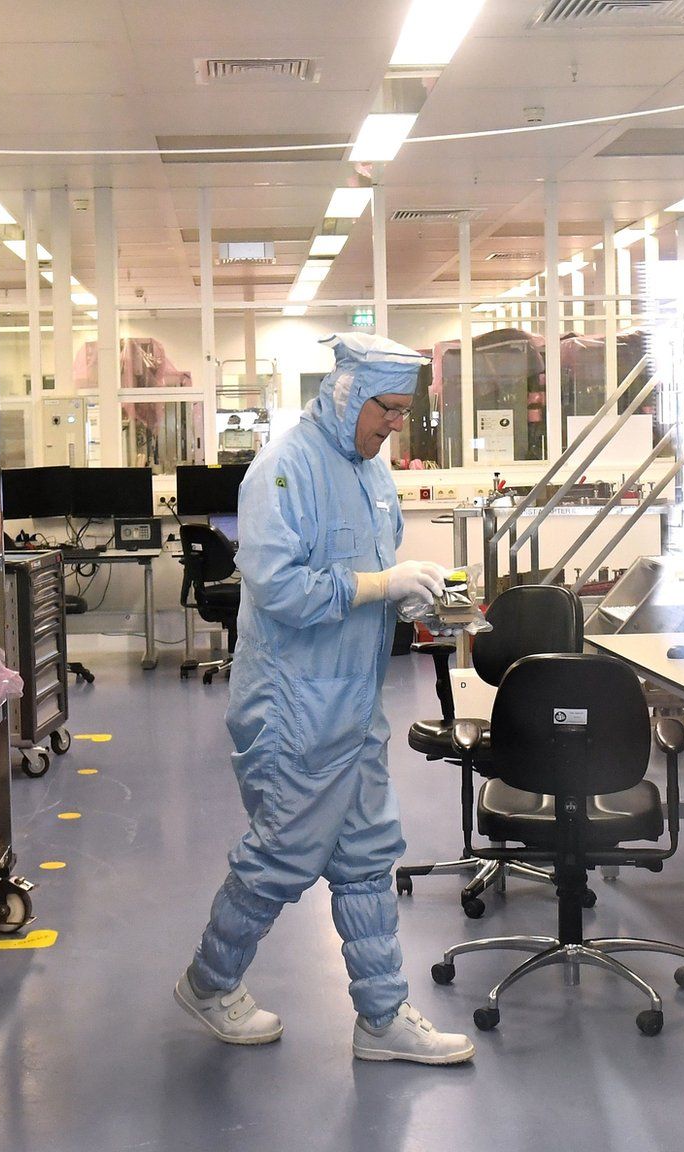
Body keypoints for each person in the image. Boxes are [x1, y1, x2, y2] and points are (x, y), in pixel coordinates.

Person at [174, 333, 473, 1065]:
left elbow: (372, 566)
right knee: (281, 855)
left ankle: (382, 1019)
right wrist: (378, 586)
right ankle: (209, 985)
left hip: (353, 699)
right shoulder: (285, 468)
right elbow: (279, 590)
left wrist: (412, 595)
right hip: (293, 707)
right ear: (346, 394)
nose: (394, 424)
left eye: (405, 411)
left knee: (369, 855)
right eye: (388, 409)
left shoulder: (370, 471)